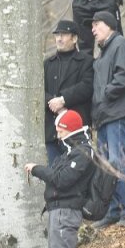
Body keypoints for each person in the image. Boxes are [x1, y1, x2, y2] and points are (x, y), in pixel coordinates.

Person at [26, 110, 95, 248]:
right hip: (57, 212)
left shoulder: (82, 152)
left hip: (67, 212)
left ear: (71, 128)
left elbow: (62, 180)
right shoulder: (68, 152)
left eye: (61, 129)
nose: (57, 134)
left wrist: (37, 170)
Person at [89, 12, 125, 228]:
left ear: (109, 25)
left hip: (117, 112)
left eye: (97, 24)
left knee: (117, 160)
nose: (93, 29)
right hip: (103, 115)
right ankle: (113, 210)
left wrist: (106, 93)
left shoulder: (120, 44)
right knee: (105, 164)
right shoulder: (102, 54)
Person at [43, 19, 94, 163]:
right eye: (57, 34)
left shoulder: (87, 61)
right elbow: (39, 91)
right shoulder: (47, 64)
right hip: (52, 130)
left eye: (64, 34)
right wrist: (52, 103)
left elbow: (87, 86)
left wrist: (63, 100)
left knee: (77, 174)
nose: (59, 38)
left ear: (74, 38)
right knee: (55, 174)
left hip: (76, 130)